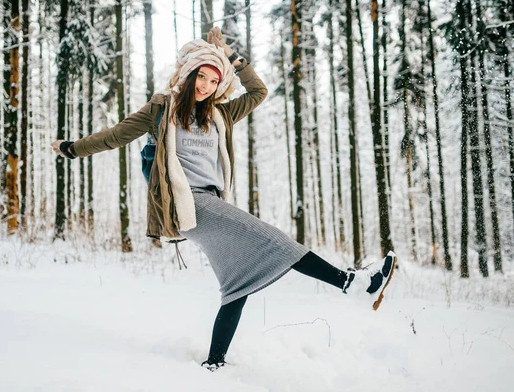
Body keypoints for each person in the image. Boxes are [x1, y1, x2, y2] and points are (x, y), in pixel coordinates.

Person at [51, 27, 397, 371]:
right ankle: (351, 283)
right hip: (187, 203)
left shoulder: (220, 114)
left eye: (213, 81)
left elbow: (258, 91)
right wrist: (71, 149)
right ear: (188, 75)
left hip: (211, 201)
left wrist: (230, 55)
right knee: (273, 240)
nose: (205, 86)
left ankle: (214, 363)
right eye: (201, 77)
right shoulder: (162, 110)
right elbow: (115, 136)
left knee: (237, 279)